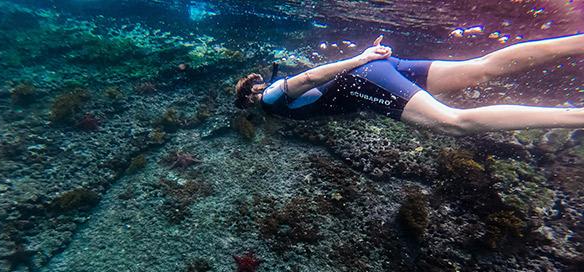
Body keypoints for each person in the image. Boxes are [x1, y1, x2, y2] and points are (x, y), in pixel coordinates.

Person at [234, 34, 584, 136]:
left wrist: (360, 58)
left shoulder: (269, 99)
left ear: (251, 98)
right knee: (481, 68)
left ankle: (576, 117)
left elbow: (310, 77)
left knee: (453, 123)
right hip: (379, 70)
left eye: (245, 105)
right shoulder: (274, 93)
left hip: (366, 76)